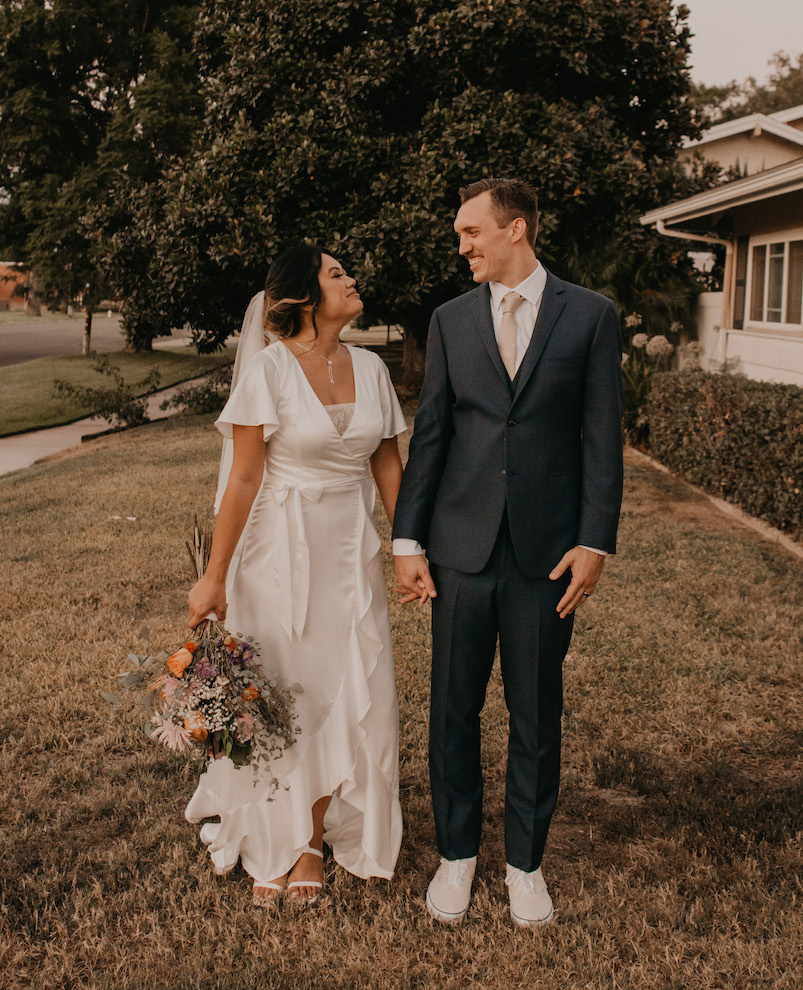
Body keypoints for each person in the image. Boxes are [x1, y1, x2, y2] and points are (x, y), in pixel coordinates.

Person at [392, 178, 623, 929]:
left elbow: (600, 437)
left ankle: (525, 864)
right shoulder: (451, 320)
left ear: (515, 229)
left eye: (471, 232)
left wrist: (593, 540)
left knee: (534, 712)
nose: (461, 246)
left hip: (545, 554)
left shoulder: (589, 316)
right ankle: (457, 856)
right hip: (458, 548)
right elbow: (431, 435)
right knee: (452, 710)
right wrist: (407, 540)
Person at [185, 245, 406, 907]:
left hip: (349, 554)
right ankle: (271, 839)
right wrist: (215, 577)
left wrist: (407, 549)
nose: (352, 278)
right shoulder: (269, 372)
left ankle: (309, 841)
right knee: (289, 694)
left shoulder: (371, 368)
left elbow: (389, 469)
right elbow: (245, 477)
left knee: (342, 686)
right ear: (304, 297)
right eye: (337, 274)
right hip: (278, 554)